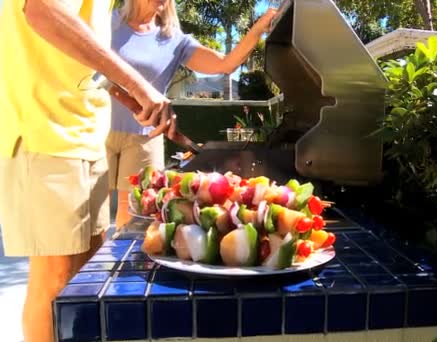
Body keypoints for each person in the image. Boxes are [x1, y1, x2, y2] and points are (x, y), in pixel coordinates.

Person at [0, 0, 177, 341]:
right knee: (55, 279)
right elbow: (42, 10)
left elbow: (73, 54)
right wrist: (139, 84)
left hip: (80, 136)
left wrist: (125, 92)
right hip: (47, 132)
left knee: (81, 282)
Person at [107, 0, 277, 228]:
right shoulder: (107, 21)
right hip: (99, 131)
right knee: (93, 221)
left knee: (135, 221)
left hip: (146, 138)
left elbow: (225, 64)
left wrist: (257, 29)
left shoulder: (173, 40)